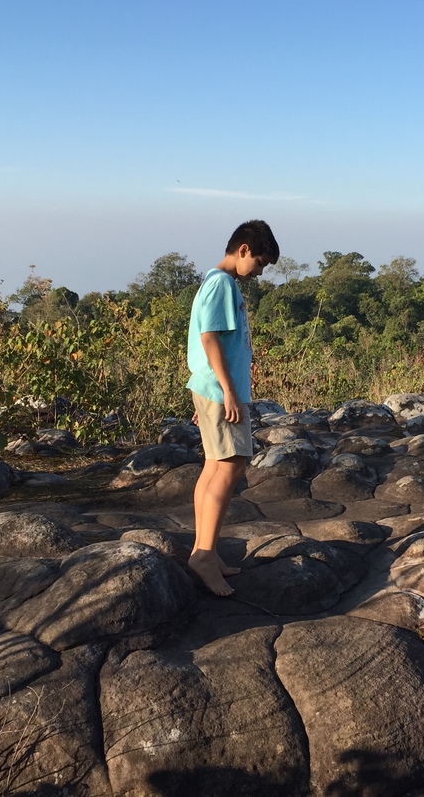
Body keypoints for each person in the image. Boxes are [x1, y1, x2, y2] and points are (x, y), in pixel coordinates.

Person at [185, 219, 280, 595]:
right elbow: (208, 339)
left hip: (214, 389)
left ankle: (202, 550)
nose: (258, 272)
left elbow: (209, 341)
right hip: (221, 390)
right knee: (231, 466)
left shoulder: (218, 283)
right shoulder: (222, 284)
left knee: (215, 466)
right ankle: (204, 554)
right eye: (258, 262)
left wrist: (210, 393)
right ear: (243, 250)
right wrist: (224, 391)